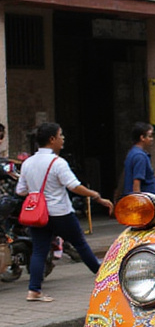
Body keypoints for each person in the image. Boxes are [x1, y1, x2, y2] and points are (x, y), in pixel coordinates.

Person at [15, 122, 113, 302]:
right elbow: (73, 186)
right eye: (61, 135)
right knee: (80, 244)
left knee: (39, 251)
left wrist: (37, 191)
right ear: (52, 139)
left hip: (38, 215)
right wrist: (95, 196)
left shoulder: (27, 163)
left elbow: (20, 191)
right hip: (60, 212)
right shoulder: (57, 162)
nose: (63, 139)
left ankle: (34, 290)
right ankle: (102, 276)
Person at [123, 121, 155, 200]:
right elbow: (137, 182)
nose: (152, 139)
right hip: (144, 200)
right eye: (149, 136)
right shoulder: (140, 156)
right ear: (142, 138)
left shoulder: (132, 153)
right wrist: (139, 202)